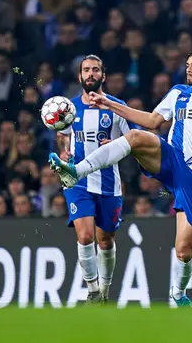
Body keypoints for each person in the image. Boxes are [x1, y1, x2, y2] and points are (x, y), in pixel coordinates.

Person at [49, 47, 192, 307]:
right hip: (173, 159)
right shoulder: (179, 92)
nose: (189, 68)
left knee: (184, 250)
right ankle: (77, 171)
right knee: (134, 137)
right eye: (188, 64)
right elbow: (153, 120)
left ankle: (178, 294)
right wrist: (110, 104)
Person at [56, 55, 130, 304]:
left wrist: (118, 144)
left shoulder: (117, 107)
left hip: (109, 183)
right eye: (86, 70)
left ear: (103, 76)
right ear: (79, 77)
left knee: (105, 239)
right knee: (85, 236)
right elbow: (63, 137)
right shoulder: (69, 108)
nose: (90, 74)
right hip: (78, 181)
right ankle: (93, 291)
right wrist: (64, 150)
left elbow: (133, 143)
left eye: (95, 70)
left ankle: (106, 291)